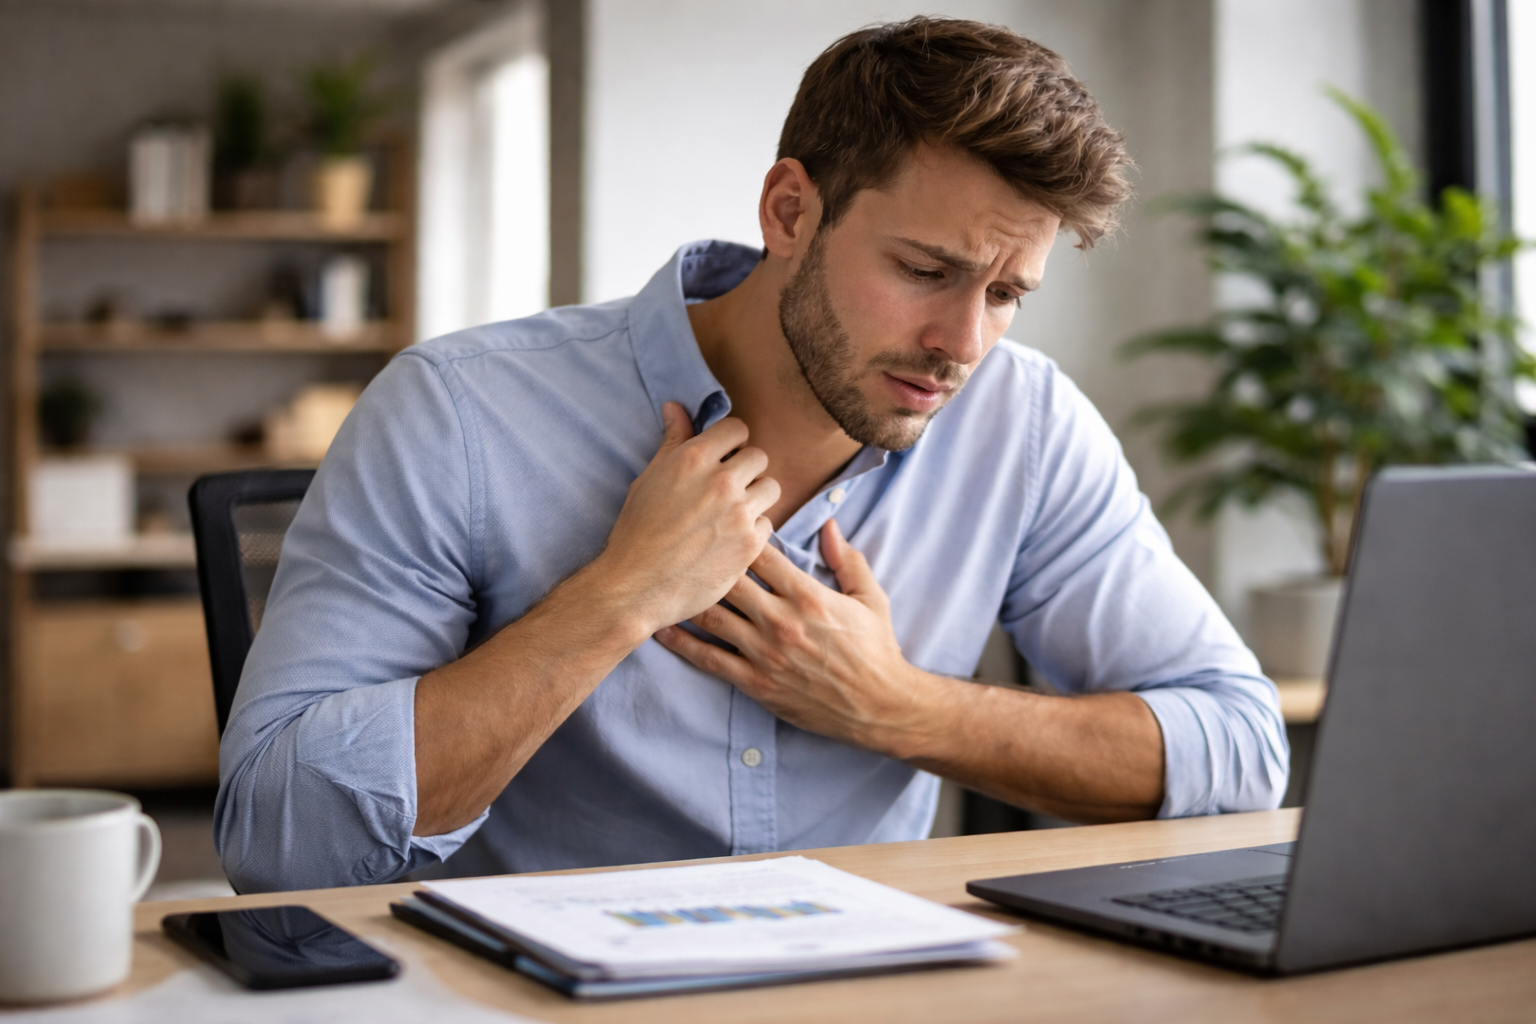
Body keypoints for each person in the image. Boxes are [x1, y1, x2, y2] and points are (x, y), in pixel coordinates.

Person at [216, 17, 1288, 893]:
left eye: (1007, 294)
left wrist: (899, 706)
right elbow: (278, 833)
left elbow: (1240, 752)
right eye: (926, 269)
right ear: (789, 211)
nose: (964, 345)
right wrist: (617, 599)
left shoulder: (1029, 426)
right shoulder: (457, 411)